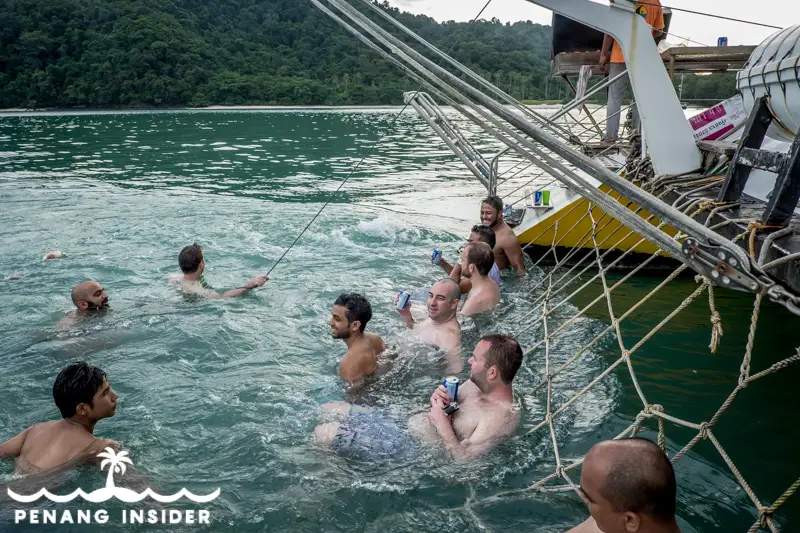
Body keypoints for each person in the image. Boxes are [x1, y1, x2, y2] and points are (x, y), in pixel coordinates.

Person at [314, 334, 523, 461]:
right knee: (332, 407)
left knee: (324, 434)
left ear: (492, 372)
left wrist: (442, 424)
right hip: (400, 423)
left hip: (409, 448)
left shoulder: (500, 418)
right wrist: (439, 398)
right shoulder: (478, 384)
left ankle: (328, 484)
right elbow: (447, 408)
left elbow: (464, 464)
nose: (469, 360)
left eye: (475, 359)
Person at [0, 362, 119, 474]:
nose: (114, 396)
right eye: (105, 392)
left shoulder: (36, 430)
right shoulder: (100, 447)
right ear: (82, 409)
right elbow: (133, 485)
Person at [565, 438, 681, 533]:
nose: (583, 498)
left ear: (630, 521)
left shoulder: (605, 524)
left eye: (590, 500)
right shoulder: (609, 524)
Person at [598, 0, 665, 143]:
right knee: (639, 99)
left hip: (619, 55)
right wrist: (643, 36)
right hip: (642, 57)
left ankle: (610, 137)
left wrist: (603, 54)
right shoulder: (655, 2)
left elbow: (610, 32)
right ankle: (637, 137)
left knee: (615, 98)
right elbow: (659, 30)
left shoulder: (620, 1)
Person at [396, 278, 462, 372]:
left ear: (454, 304)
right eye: (431, 296)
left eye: (440, 298)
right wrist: (405, 313)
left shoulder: (448, 336)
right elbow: (414, 328)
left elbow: (456, 370)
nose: (432, 303)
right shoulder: (436, 319)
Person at [171, 243, 268, 298]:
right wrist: (250, 285)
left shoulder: (173, 278)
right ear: (201, 264)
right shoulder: (197, 290)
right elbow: (222, 296)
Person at [329, 293, 386, 384]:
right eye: (332, 316)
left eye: (337, 319)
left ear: (355, 325)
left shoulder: (348, 364)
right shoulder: (375, 339)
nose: (330, 322)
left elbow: (352, 397)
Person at [434, 224, 502, 293]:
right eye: (468, 241)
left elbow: (450, 290)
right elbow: (459, 277)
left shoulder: (479, 269)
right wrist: (442, 263)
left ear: (482, 246)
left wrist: (461, 259)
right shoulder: (487, 262)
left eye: (471, 242)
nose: (467, 245)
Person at [479, 196, 526, 277]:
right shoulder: (485, 229)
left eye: (488, 213)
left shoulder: (507, 238)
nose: (484, 217)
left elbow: (520, 269)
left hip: (496, 281)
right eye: (482, 213)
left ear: (499, 214)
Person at [458, 242, 500, 317]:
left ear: (471, 268)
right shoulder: (493, 284)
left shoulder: (475, 301)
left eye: (462, 260)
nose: (461, 264)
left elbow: (460, 325)